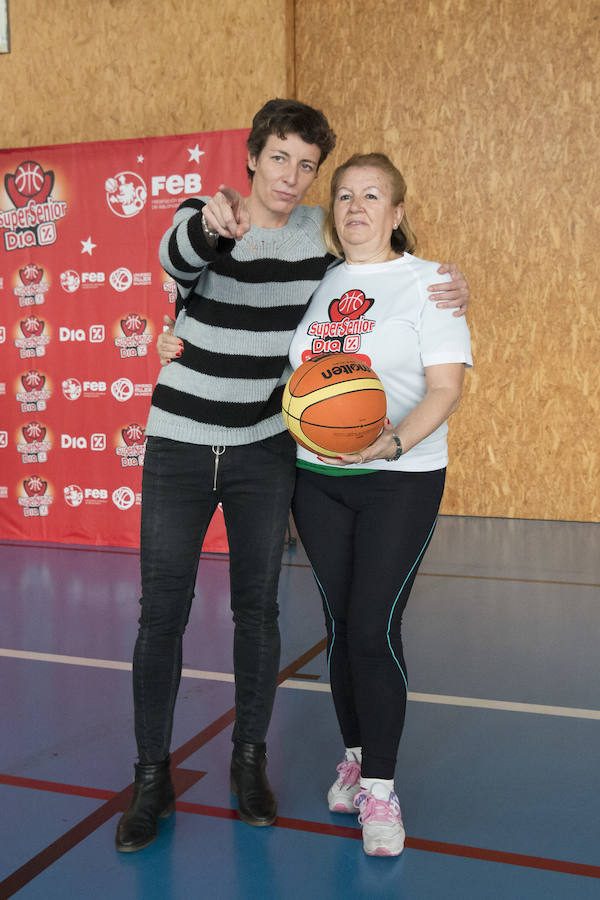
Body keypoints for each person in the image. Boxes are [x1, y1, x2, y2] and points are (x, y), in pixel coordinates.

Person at [118, 99, 469, 853]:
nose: (292, 176)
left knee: (259, 613)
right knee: (162, 614)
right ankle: (150, 778)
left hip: (265, 449)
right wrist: (213, 228)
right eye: (279, 158)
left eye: (308, 166)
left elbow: (388, 266)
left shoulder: (321, 236)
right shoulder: (205, 214)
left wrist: (451, 284)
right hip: (181, 444)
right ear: (252, 157)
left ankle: (250, 763)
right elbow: (178, 258)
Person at [288, 153, 472, 857]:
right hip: (316, 478)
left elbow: (445, 389)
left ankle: (383, 791)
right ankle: (357, 759)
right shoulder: (317, 278)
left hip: (401, 477)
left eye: (372, 196)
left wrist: (388, 445)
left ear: (397, 212)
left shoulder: (431, 284)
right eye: (343, 195)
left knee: (373, 627)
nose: (355, 207)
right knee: (340, 627)